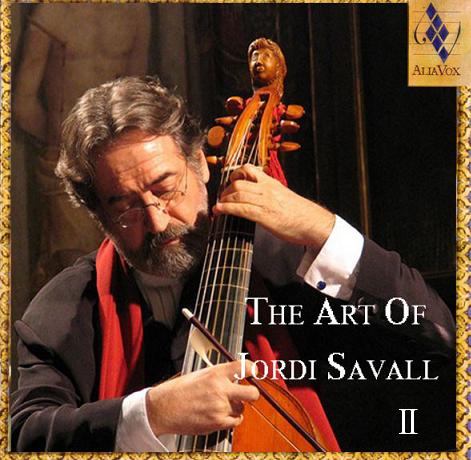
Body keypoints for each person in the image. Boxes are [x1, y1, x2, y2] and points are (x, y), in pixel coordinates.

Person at [11, 76, 455, 452]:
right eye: (125, 206)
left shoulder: (287, 262)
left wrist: (323, 230)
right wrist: (151, 412)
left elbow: (437, 337)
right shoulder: (66, 309)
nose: (158, 220)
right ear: (98, 215)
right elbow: (25, 434)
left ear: (200, 165)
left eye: (166, 188)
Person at [13, 4, 150, 290]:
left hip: (118, 166)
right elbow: (23, 105)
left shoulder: (136, 10)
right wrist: (63, 142)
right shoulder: (50, 13)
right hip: (66, 166)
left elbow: (135, 98)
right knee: (75, 276)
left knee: (122, 270)